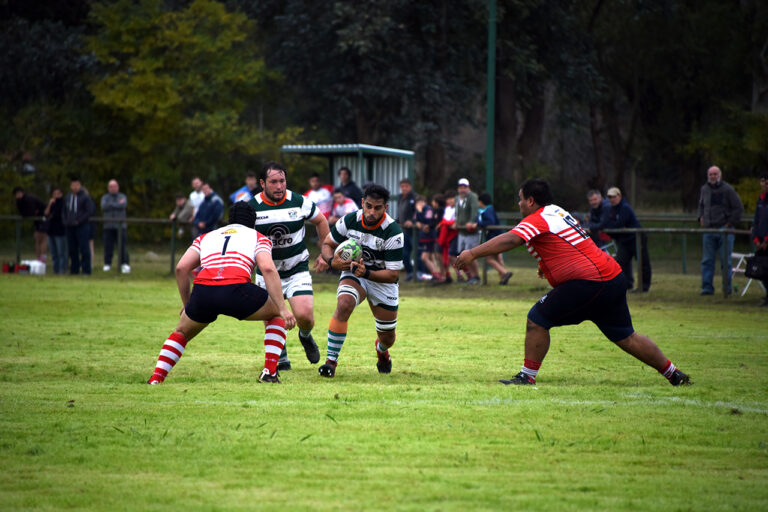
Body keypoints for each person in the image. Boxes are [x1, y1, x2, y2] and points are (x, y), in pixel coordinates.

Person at [455, 178, 691, 387]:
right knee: (626, 336)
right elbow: (571, 241)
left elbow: (511, 239)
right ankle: (673, 373)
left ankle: (527, 377)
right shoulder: (557, 211)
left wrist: (472, 253)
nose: (518, 204)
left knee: (537, 319)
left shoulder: (537, 219)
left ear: (530, 201)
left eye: (520, 200)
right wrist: (548, 263)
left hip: (590, 282)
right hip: (612, 277)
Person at [147, 202, 297, 385]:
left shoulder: (206, 237)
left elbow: (181, 268)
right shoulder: (258, 237)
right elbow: (267, 268)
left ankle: (156, 378)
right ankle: (269, 372)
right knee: (276, 314)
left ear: (229, 219)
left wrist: (187, 305)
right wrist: (283, 308)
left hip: (204, 291)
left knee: (181, 332)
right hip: (236, 289)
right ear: (253, 222)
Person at [248, 161, 330, 371]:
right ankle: (281, 353)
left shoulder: (299, 202)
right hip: (267, 272)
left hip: (296, 269)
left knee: (305, 315)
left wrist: (325, 252)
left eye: (282, 181)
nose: (279, 186)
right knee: (271, 315)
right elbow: (244, 239)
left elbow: (321, 221)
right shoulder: (252, 207)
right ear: (262, 183)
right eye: (273, 182)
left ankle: (305, 335)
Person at [318, 184, 404, 378]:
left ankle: (381, 350)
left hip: (382, 281)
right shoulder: (350, 220)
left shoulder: (393, 231)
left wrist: (367, 273)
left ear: (386, 208)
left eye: (378, 208)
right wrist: (332, 261)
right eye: (369, 206)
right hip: (355, 274)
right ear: (363, 203)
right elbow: (327, 244)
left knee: (388, 337)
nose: (372, 212)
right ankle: (330, 362)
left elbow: (393, 275)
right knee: (344, 303)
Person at [698, 166, 744, 296]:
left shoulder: (728, 189)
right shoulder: (704, 189)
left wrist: (730, 223)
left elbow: (738, 208)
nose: (713, 176)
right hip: (708, 229)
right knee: (707, 261)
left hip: (725, 230)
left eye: (715, 174)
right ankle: (707, 288)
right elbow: (701, 205)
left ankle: (726, 288)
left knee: (725, 262)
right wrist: (700, 217)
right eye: (711, 174)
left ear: (720, 175)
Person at [604, 187, 652, 292]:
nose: (612, 199)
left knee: (642, 262)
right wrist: (615, 226)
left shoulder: (625, 207)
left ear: (619, 196)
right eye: (610, 197)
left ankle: (644, 286)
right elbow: (608, 223)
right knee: (621, 262)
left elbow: (618, 223)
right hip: (624, 239)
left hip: (636, 237)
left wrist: (615, 226)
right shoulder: (611, 209)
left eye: (614, 196)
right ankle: (626, 285)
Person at [477, 193, 513, 285]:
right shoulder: (489, 209)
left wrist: (479, 224)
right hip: (497, 236)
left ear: (481, 202)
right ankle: (503, 279)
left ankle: (504, 273)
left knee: (489, 259)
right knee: (498, 258)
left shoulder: (487, 210)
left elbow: (490, 222)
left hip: (494, 238)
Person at [62, 176, 95, 275]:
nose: (75, 187)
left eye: (77, 185)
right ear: (70, 186)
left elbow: (89, 211)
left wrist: (79, 221)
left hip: (82, 226)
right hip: (70, 227)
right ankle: (74, 270)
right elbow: (64, 211)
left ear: (80, 186)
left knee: (84, 249)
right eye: (73, 185)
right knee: (72, 249)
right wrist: (66, 221)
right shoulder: (68, 197)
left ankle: (86, 270)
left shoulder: (85, 197)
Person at [101, 179, 130, 273]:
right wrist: (117, 204)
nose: (113, 188)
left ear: (118, 187)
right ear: (108, 188)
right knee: (108, 246)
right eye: (111, 186)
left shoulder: (122, 196)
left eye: (114, 186)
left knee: (122, 246)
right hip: (108, 226)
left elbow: (123, 205)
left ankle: (124, 264)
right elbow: (104, 206)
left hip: (121, 227)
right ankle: (107, 264)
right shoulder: (105, 197)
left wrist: (111, 205)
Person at [455, 178, 481, 284]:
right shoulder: (457, 198)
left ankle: (476, 277)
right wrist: (456, 222)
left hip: (471, 232)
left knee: (471, 255)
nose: (462, 190)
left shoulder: (472, 197)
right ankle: (471, 276)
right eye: (460, 187)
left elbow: (474, 210)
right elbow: (457, 212)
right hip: (461, 231)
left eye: (464, 187)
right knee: (463, 255)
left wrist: (471, 222)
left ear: (468, 187)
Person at [13, 186, 48, 262]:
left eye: (19, 193)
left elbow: (31, 212)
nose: (18, 195)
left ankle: (43, 259)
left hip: (43, 217)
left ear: (22, 193)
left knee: (43, 237)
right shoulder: (19, 201)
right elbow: (23, 212)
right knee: (37, 238)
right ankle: (39, 259)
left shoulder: (29, 199)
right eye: (16, 194)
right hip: (36, 219)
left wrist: (29, 213)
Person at [413, 195, 442, 281]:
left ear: (424, 202)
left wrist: (420, 212)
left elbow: (427, 221)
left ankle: (436, 274)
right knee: (430, 257)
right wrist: (419, 223)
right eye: (418, 203)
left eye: (421, 202)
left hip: (429, 236)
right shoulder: (418, 210)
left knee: (424, 257)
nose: (420, 204)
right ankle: (436, 274)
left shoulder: (428, 209)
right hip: (423, 237)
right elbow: (415, 220)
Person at [751, 173, 768, 306]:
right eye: (763, 181)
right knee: (762, 270)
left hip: (766, 241)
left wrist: (766, 240)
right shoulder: (761, 200)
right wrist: (756, 239)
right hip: (760, 241)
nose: (764, 184)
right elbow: (756, 221)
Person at [396, 178, 417, 281]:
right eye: (402, 186)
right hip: (404, 231)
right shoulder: (400, 197)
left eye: (406, 186)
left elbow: (418, 212)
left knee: (417, 253)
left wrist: (412, 221)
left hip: (414, 231)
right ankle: (409, 272)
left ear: (410, 187)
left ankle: (419, 274)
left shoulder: (414, 197)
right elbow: (400, 212)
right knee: (404, 254)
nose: (404, 188)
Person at [437, 191, 460, 282]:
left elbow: (454, 222)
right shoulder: (447, 209)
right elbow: (445, 220)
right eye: (448, 199)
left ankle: (461, 275)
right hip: (444, 236)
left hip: (454, 235)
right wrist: (444, 223)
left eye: (451, 198)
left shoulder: (458, 209)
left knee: (452, 257)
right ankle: (446, 275)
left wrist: (443, 223)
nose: (450, 201)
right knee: (440, 255)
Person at [45, 187, 67, 274]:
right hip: (51, 231)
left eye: (58, 194)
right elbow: (46, 213)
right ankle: (55, 270)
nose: (56, 196)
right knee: (54, 253)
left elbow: (58, 215)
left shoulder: (63, 203)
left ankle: (62, 270)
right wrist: (50, 204)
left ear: (61, 194)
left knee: (61, 253)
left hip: (60, 231)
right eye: (54, 194)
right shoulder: (52, 204)